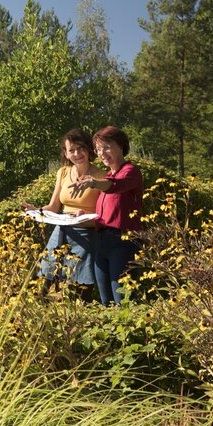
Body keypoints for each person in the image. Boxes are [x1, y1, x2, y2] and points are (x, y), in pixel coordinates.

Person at [20, 128, 105, 301]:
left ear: (89, 149)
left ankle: (79, 321)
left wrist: (85, 214)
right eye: (71, 150)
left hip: (86, 235)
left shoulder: (101, 176)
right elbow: (53, 206)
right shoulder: (63, 173)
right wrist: (36, 210)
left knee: (79, 286)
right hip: (61, 230)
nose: (77, 153)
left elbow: (104, 213)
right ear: (66, 154)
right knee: (45, 280)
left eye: (80, 148)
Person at [69, 125, 143, 306]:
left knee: (123, 301)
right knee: (106, 302)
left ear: (121, 146)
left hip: (123, 243)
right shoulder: (109, 175)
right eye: (98, 149)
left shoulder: (130, 171)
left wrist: (93, 183)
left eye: (107, 147)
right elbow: (109, 212)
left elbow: (115, 186)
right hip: (102, 243)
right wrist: (84, 215)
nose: (102, 153)